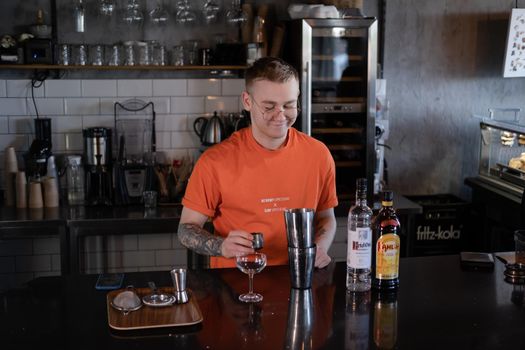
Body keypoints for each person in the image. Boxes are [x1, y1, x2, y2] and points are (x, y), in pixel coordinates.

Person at [178, 56, 338, 269]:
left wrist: (320, 247)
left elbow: (326, 217)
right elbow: (186, 229)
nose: (280, 115)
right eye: (269, 106)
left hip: (298, 277)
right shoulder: (215, 161)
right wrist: (221, 246)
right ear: (247, 101)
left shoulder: (318, 154)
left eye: (289, 105)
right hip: (234, 286)